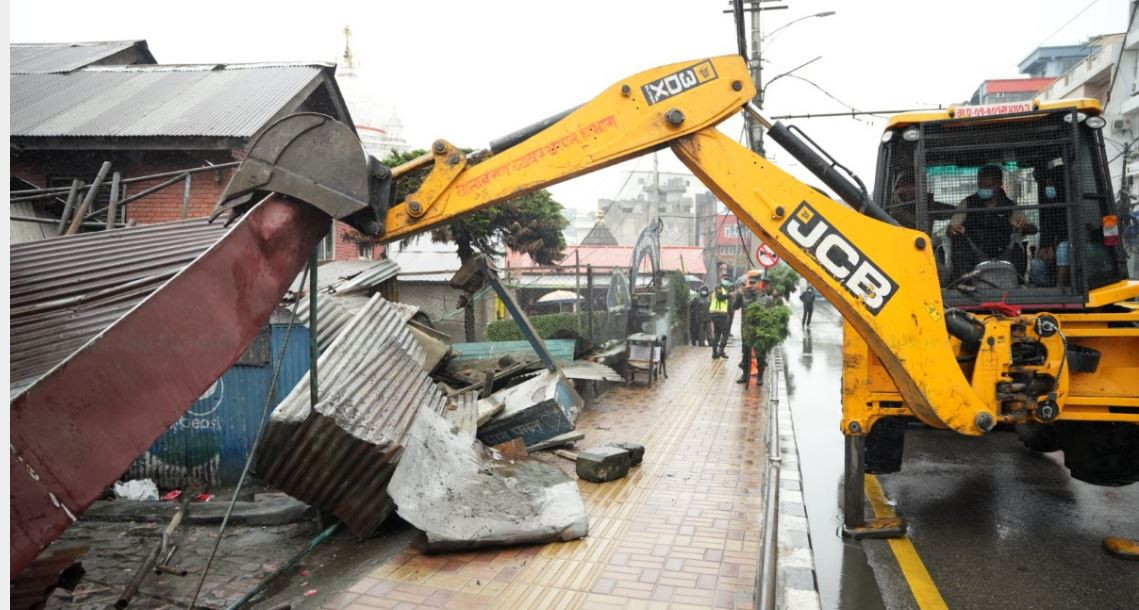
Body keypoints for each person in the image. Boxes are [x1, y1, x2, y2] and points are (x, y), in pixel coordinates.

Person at [946, 165, 1036, 276]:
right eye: (980, 185)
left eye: (988, 186)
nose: (983, 189)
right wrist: (953, 229)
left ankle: (1016, 284)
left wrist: (1023, 226)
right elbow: (950, 229)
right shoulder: (967, 203)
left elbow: (1032, 228)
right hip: (973, 253)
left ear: (999, 185)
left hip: (1004, 252)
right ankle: (965, 284)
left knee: (1018, 247)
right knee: (958, 243)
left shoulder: (1010, 206)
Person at [708, 279, 732, 359]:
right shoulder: (720, 287)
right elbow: (720, 298)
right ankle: (721, 350)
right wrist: (730, 295)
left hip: (716, 314)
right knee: (725, 333)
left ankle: (715, 353)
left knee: (717, 334)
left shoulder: (721, 289)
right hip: (719, 315)